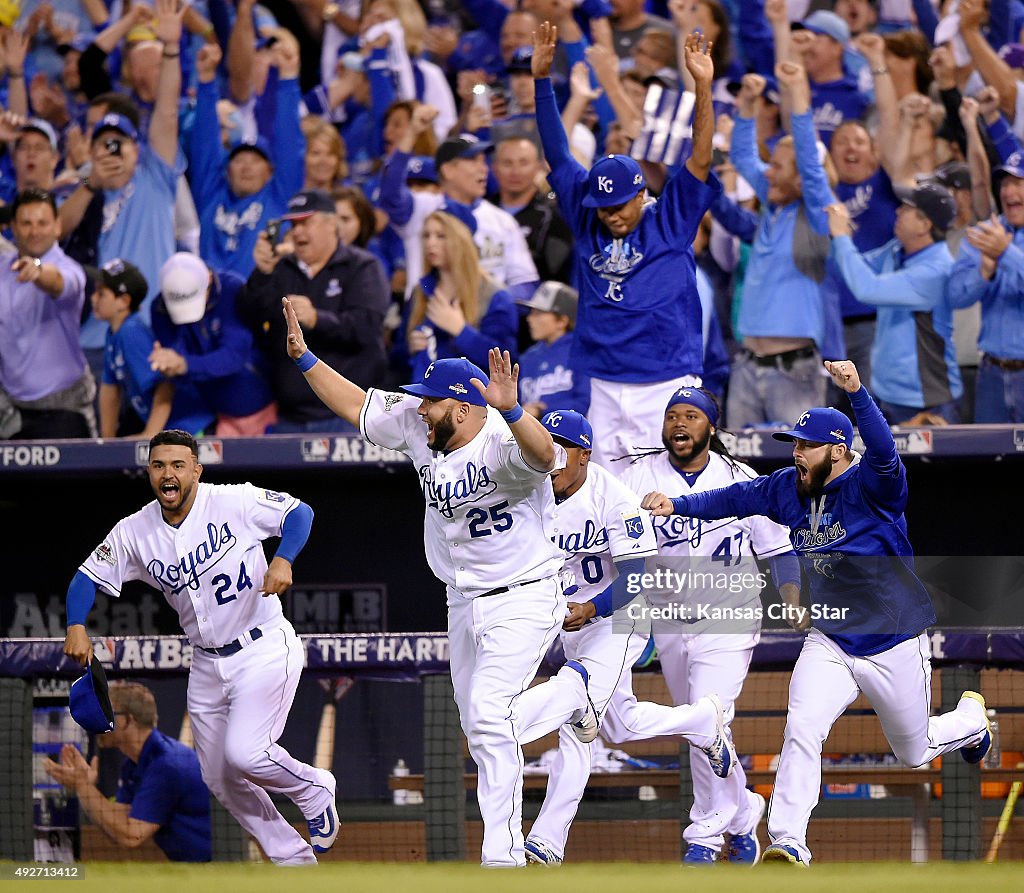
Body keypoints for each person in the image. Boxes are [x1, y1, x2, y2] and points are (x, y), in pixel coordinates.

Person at [282, 303, 600, 867]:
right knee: (480, 730)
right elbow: (357, 403)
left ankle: (502, 855)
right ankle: (572, 694)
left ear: (462, 405)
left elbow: (546, 455)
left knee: (486, 713)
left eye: (431, 400)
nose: (420, 408)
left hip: (525, 593)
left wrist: (515, 410)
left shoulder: (504, 438)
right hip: (462, 601)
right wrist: (305, 358)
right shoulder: (420, 426)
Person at [641, 360, 993, 865]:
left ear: (839, 451)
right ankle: (788, 841)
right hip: (830, 639)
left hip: (893, 639)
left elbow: (888, 454)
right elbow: (735, 496)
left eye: (807, 445)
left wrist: (856, 392)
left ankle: (969, 720)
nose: (797, 452)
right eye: (795, 444)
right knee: (801, 728)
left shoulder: (873, 487)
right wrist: (677, 506)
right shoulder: (788, 487)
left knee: (913, 752)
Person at [61, 429, 337, 865]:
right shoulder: (134, 531)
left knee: (246, 754)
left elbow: (299, 512)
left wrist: (283, 558)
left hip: (261, 645)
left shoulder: (233, 501)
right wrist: (76, 624)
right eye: (158, 466)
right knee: (220, 777)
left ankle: (314, 788)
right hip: (206, 664)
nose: (167, 474)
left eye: (177, 465)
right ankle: (292, 858)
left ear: (196, 469)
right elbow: (85, 577)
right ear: (149, 472)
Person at [522, 409, 736, 866]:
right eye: (545, 445)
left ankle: (546, 841)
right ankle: (701, 722)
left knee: (578, 716)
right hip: (573, 620)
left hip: (620, 617)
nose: (551, 457)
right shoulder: (530, 491)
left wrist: (592, 609)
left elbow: (636, 579)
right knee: (620, 723)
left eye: (561, 448)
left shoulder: (614, 497)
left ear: (584, 454)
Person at [618, 386, 801, 864]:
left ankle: (704, 837)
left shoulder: (740, 478)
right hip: (668, 619)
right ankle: (744, 813)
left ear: (711, 428)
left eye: (691, 416)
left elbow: (778, 549)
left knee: (709, 713)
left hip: (729, 615)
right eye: (672, 415)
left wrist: (792, 597)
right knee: (703, 728)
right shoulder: (636, 475)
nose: (680, 424)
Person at [532, 23, 720, 470]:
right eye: (603, 207)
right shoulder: (586, 215)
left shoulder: (669, 219)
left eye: (619, 205)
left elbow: (701, 158)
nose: (611, 214)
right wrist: (542, 82)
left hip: (665, 379)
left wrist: (703, 86)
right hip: (602, 380)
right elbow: (558, 154)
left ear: (641, 195)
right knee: (607, 498)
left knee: (666, 493)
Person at [722, 64, 837, 428]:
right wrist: (747, 104)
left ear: (802, 179)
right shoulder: (772, 206)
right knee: (739, 468)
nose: (768, 172)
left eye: (779, 167)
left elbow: (812, 167)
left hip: (793, 370)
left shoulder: (818, 217)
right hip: (746, 364)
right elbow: (741, 156)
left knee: (801, 466)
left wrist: (797, 90)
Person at [240, 188, 390, 432]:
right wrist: (262, 274)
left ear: (332, 225)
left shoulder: (361, 266)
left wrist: (317, 319)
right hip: (290, 416)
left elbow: (367, 328)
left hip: (350, 415)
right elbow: (251, 318)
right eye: (293, 225)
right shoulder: (281, 269)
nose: (298, 231)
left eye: (306, 222)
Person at [826, 185, 962, 423]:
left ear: (924, 225)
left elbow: (867, 288)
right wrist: (840, 237)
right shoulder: (898, 250)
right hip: (886, 392)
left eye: (907, 209)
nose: (898, 211)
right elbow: (848, 271)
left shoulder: (936, 270)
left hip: (925, 400)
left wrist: (841, 238)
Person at [378, 103, 540, 302]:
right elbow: (389, 195)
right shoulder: (422, 208)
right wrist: (411, 133)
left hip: (483, 323)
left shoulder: (502, 221)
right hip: (429, 314)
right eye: (473, 161)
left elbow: (525, 284)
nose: (483, 169)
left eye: (483, 161)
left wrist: (489, 301)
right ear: (448, 171)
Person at [44, 682, 212, 862]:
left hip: (224, 868)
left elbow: (132, 836)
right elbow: (118, 821)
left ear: (129, 720)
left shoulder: (166, 764)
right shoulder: (134, 764)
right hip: (196, 869)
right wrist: (85, 789)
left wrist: (83, 787)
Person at [189, 39, 305, 279]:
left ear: (270, 171)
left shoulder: (279, 196)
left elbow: (288, 142)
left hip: (255, 303)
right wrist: (207, 80)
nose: (247, 167)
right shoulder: (210, 193)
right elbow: (204, 145)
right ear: (227, 169)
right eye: (239, 160)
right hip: (209, 302)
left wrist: (288, 78)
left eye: (255, 161)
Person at [0, 188, 94, 440]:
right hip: (12, 412)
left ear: (57, 226)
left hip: (65, 408)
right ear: (13, 228)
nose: (34, 231)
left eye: (42, 223)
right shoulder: (1, 269)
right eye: (26, 223)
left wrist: (38, 271)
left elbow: (59, 283)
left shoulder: (69, 270)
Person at [149, 253, 277, 436]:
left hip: (260, 407)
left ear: (208, 279)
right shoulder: (160, 309)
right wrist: (168, 366)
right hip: (210, 414)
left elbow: (233, 356)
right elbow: (176, 365)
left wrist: (184, 364)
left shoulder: (233, 289)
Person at [91, 259, 212, 438]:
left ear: (123, 301)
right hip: (171, 430)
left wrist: (150, 434)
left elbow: (165, 384)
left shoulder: (131, 332)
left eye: (101, 294)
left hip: (191, 427)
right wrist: (107, 441)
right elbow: (110, 388)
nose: (93, 298)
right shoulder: (114, 334)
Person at [948, 152, 1024, 422]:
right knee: (989, 461)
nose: (1009, 191)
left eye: (1018, 182)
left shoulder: (998, 243)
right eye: (1004, 184)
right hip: (991, 372)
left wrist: (1007, 254)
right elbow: (955, 296)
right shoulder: (984, 234)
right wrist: (984, 271)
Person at [403, 209, 518, 380]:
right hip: (424, 397)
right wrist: (410, 348)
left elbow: (506, 362)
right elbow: (396, 356)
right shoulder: (420, 291)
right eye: (426, 236)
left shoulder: (494, 295)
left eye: (441, 236)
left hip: (473, 399)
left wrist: (461, 331)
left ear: (461, 240)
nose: (430, 243)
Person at [515, 281, 589, 417]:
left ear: (562, 321)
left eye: (538, 313)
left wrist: (543, 411)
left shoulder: (583, 350)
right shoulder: (527, 358)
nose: (529, 318)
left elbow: (586, 402)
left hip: (571, 434)